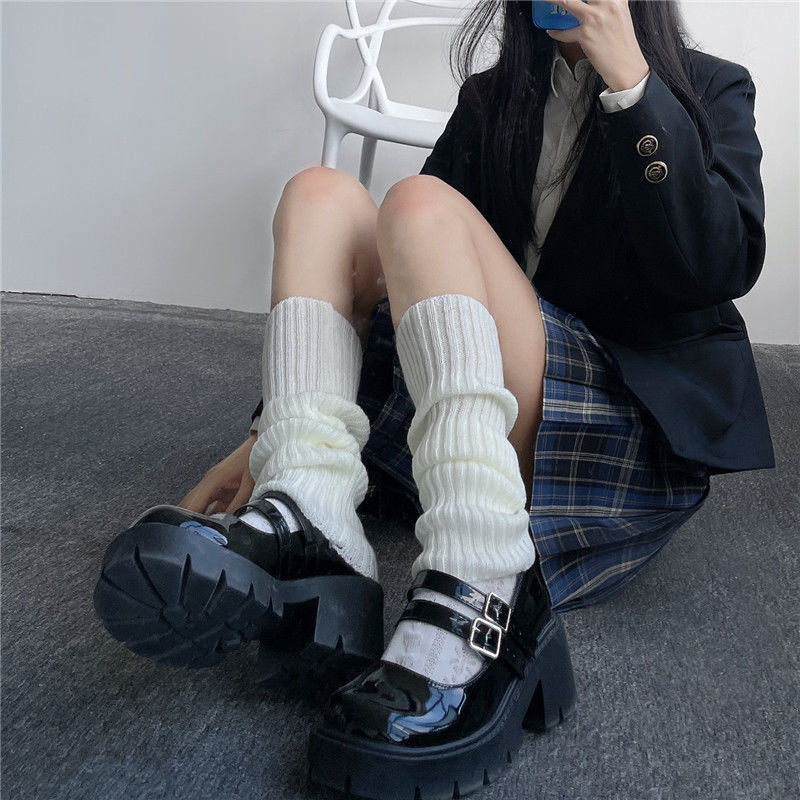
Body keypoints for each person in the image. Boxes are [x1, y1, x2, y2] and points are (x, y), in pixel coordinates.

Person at [93, 1, 774, 797]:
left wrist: (631, 84)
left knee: (418, 204)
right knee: (321, 193)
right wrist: (267, 433)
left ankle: (485, 570)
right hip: (469, 407)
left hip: (604, 429)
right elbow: (416, 275)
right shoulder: (495, 98)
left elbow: (716, 266)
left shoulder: (710, 88)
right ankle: (311, 507)